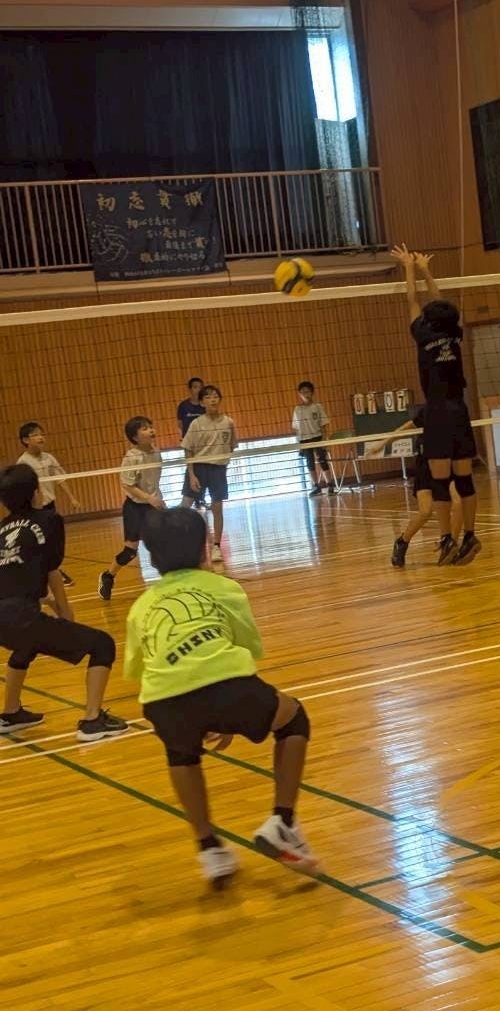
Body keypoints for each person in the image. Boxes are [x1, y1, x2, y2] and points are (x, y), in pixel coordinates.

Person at [124, 508, 317, 887]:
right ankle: (283, 821)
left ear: (153, 558)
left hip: (161, 698)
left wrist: (205, 710)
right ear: (203, 550)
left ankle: (209, 848)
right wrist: (226, 710)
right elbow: (244, 650)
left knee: (181, 753)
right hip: (225, 683)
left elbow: (138, 669)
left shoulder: (140, 607)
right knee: (293, 718)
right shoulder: (224, 588)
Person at [0, 464, 128, 740]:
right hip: (21, 615)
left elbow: (12, 575)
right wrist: (64, 612)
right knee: (102, 644)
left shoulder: (1, 529)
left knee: (26, 644)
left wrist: (42, 600)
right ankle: (92, 721)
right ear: (36, 492)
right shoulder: (48, 520)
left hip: (8, 616)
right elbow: (52, 570)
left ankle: (10, 713)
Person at [391, 244, 480, 567]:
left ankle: (446, 539)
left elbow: (412, 299)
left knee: (440, 482)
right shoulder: (455, 334)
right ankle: (469, 535)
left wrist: (408, 267)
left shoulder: (422, 335)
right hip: (460, 410)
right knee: (465, 480)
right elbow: (438, 300)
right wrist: (426, 269)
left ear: (429, 320)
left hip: (438, 414)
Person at [368, 408, 463, 567]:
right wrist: (383, 443)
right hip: (425, 466)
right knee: (426, 511)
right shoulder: (427, 411)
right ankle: (402, 542)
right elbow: (406, 428)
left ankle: (449, 546)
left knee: (459, 502)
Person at [98, 416, 165, 601]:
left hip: (152, 505)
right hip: (135, 507)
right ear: (135, 437)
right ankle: (108, 576)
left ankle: (169, 582)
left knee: (161, 544)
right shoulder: (131, 457)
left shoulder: (156, 453)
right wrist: (149, 498)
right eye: (144, 428)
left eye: (150, 427)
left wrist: (157, 499)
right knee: (129, 552)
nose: (150, 430)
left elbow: (152, 482)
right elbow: (128, 485)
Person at [17, 422, 79, 587]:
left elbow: (60, 479)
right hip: (34, 509)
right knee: (41, 542)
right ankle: (48, 573)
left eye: (42, 434)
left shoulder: (49, 458)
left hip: (50, 506)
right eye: (35, 435)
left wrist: (72, 498)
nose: (41, 437)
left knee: (53, 540)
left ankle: (52, 571)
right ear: (25, 440)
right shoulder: (23, 463)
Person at [181, 385, 237, 564]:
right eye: (208, 397)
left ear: (219, 400)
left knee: (217, 508)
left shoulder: (228, 422)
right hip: (198, 468)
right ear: (202, 402)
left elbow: (231, 446)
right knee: (185, 506)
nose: (212, 399)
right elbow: (188, 450)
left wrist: (222, 465)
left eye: (215, 396)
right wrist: (191, 475)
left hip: (218, 470)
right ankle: (177, 542)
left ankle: (216, 547)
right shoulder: (196, 424)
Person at [292, 381, 333, 497]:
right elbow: (296, 428)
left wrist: (325, 440)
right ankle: (316, 487)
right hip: (304, 439)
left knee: (322, 460)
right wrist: (298, 444)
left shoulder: (317, 406)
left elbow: (324, 424)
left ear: (312, 393)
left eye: (307, 392)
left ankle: (330, 485)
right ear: (299, 394)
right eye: (303, 392)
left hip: (317, 437)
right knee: (309, 462)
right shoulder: (297, 409)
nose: (305, 394)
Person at [177, 377, 206, 509]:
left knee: (203, 469)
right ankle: (193, 497)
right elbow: (180, 424)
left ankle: (199, 498)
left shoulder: (204, 406)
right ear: (190, 389)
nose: (198, 390)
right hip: (190, 444)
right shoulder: (183, 406)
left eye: (200, 387)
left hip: (204, 445)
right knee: (192, 468)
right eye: (195, 387)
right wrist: (184, 438)